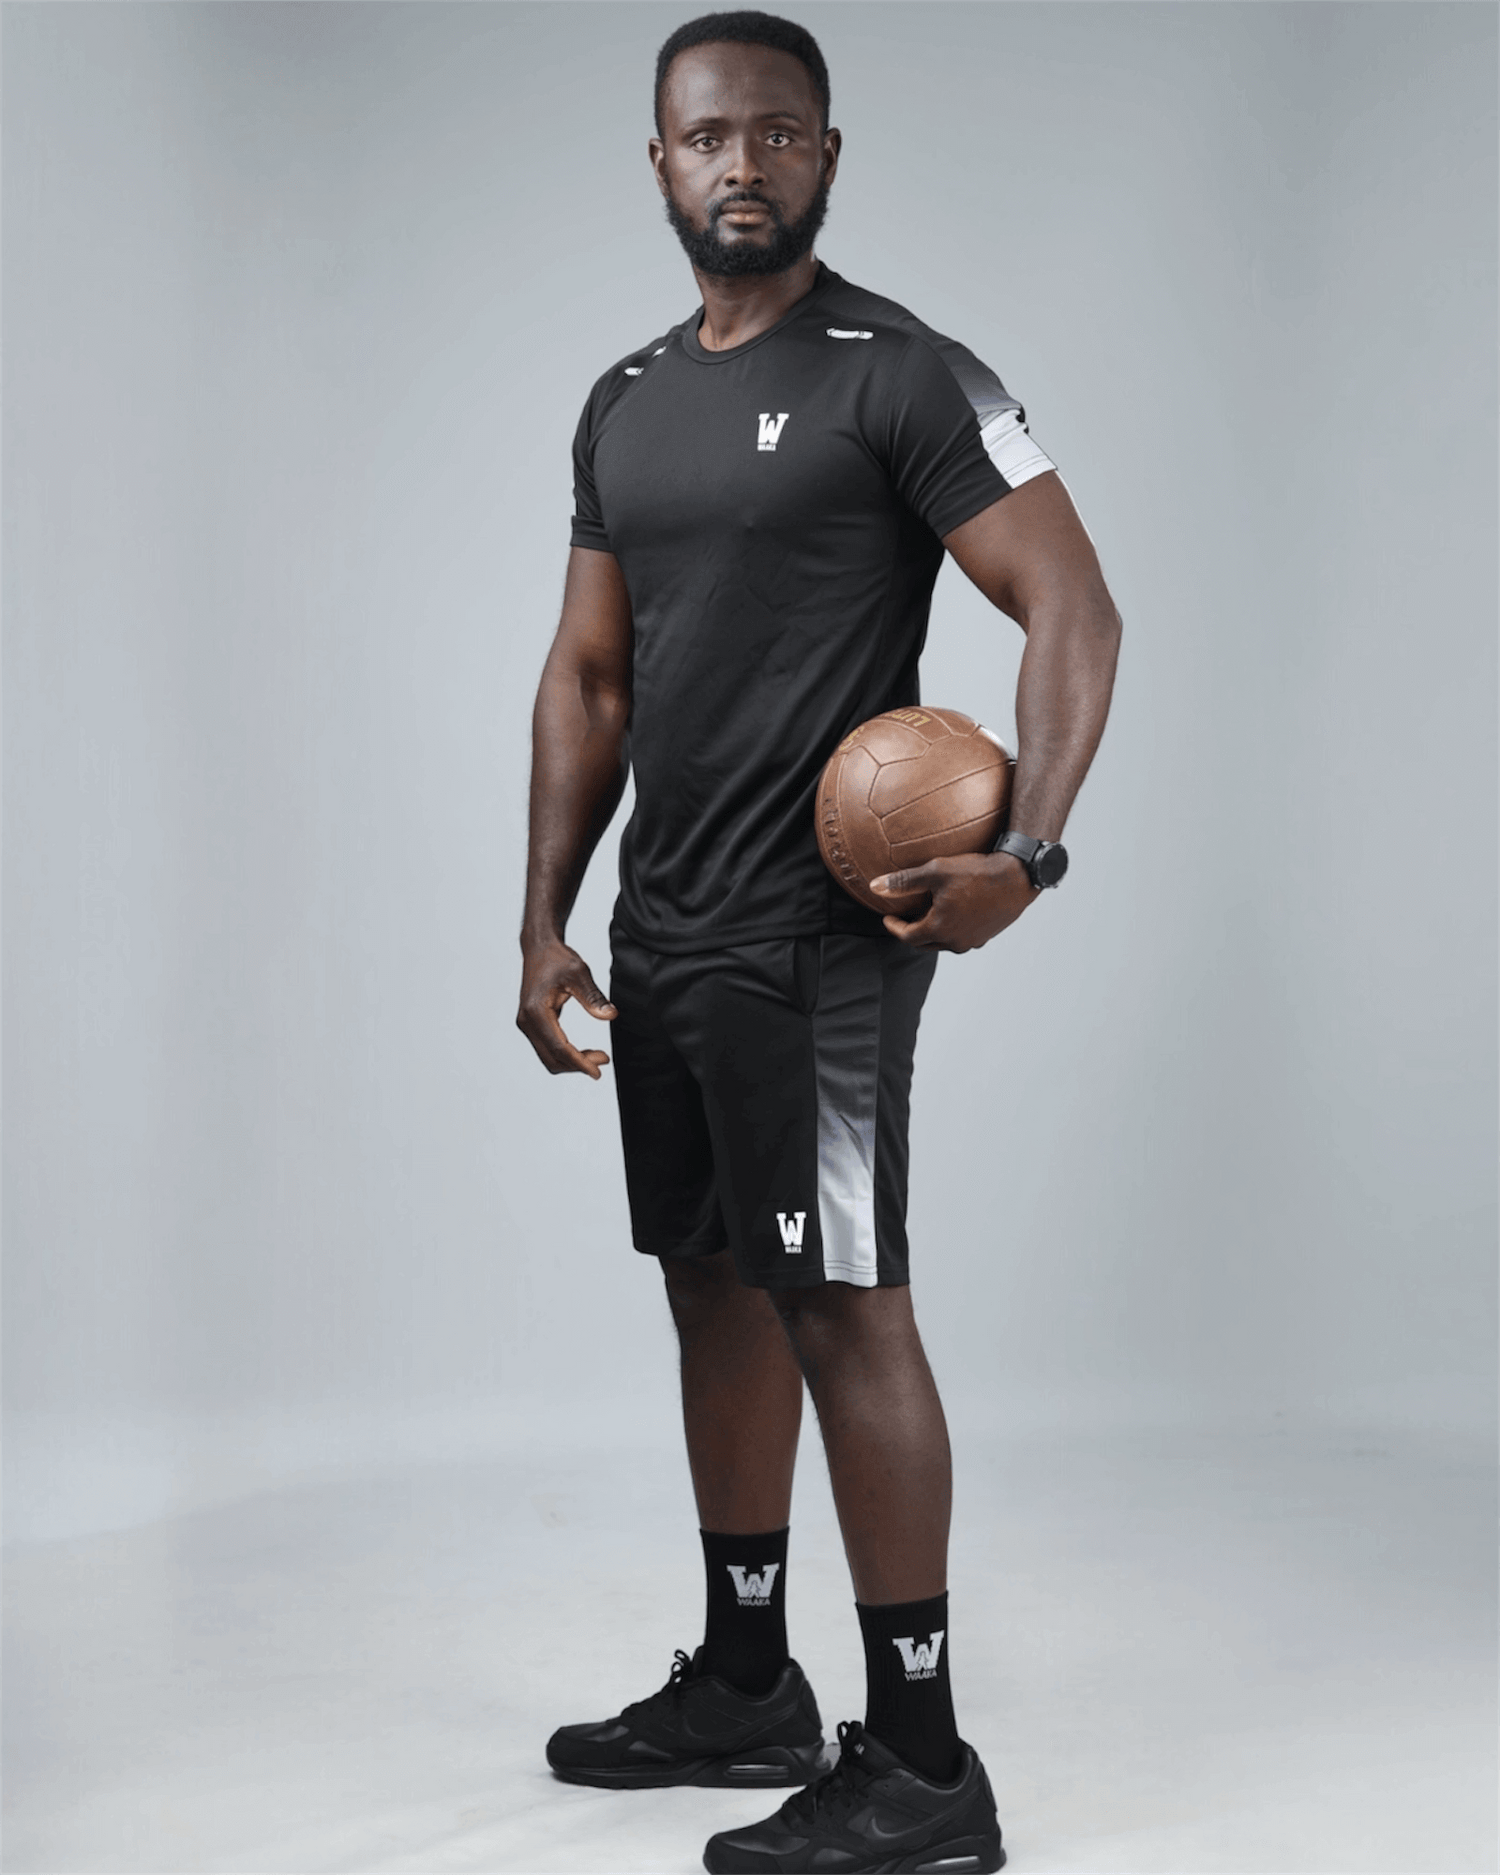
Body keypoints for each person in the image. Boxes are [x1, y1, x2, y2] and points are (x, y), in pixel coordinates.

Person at [516, 12, 1121, 1872]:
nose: (744, 165)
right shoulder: (624, 397)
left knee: (845, 1303)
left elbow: (1074, 604)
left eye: (780, 135)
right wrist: (542, 918)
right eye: (710, 136)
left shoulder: (905, 373)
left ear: (830, 157)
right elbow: (591, 675)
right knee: (714, 1280)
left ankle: (926, 1762)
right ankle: (746, 1678)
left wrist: (1032, 846)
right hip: (669, 921)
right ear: (661, 163)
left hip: (826, 937)